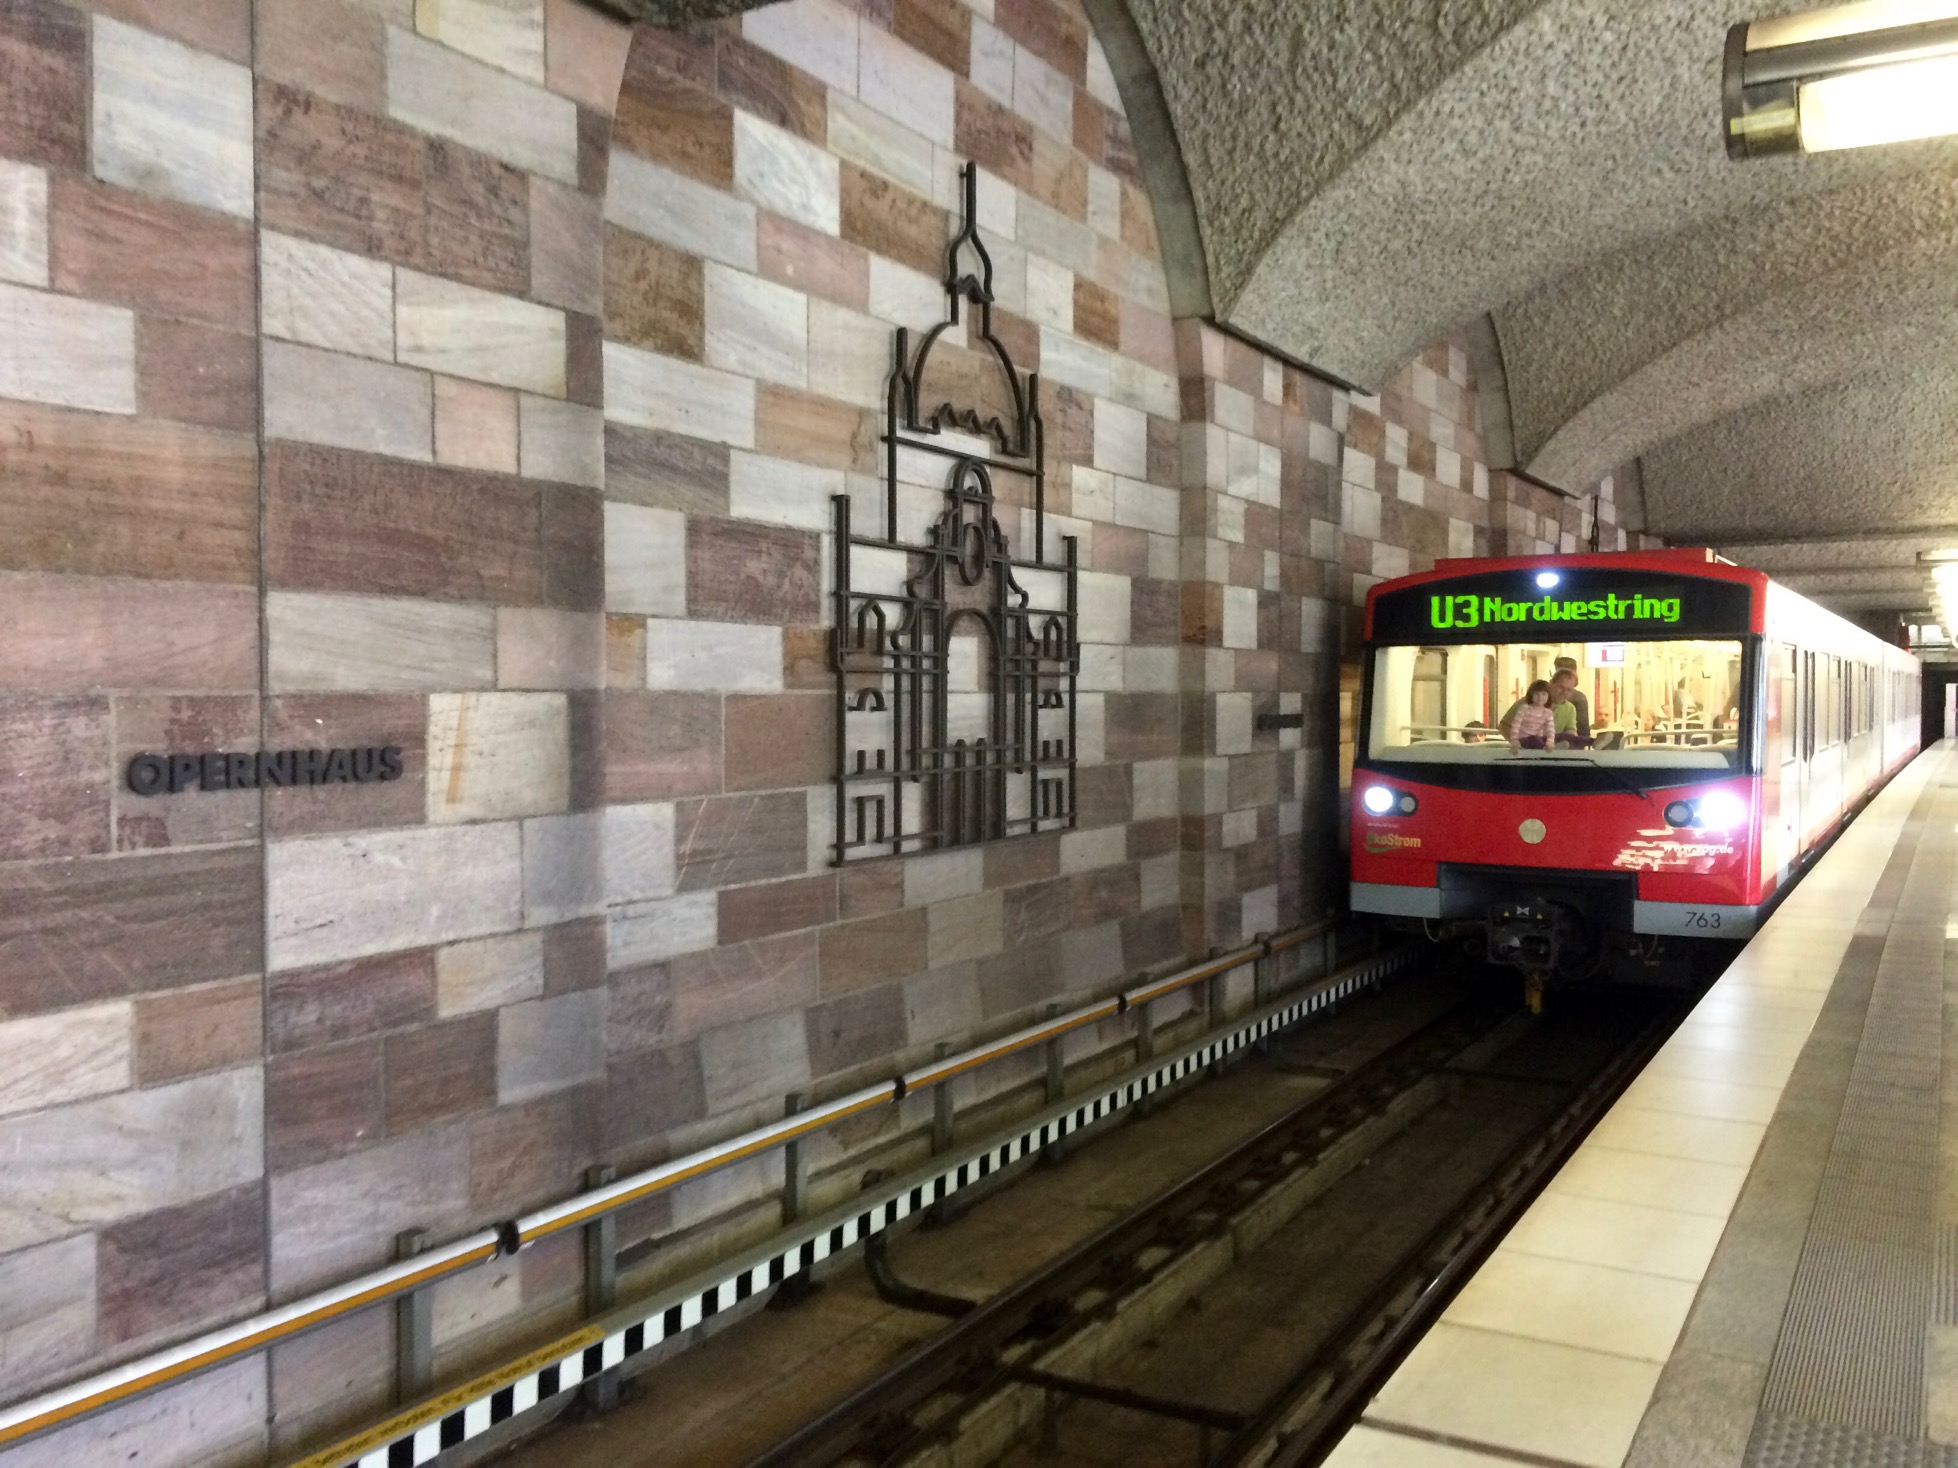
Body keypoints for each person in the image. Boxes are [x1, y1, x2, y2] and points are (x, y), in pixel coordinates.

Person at [1508, 680, 1555, 751]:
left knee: (1560, 736)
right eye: (1536, 693)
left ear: (1549, 696)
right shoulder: (1524, 709)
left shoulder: (1548, 713)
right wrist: (1514, 741)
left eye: (1544, 694)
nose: (1540, 697)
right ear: (1531, 695)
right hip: (1524, 740)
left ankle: (1552, 746)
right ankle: (1550, 748)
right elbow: (1515, 726)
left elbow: (1550, 730)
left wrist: (1550, 742)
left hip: (1539, 739)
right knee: (1534, 739)